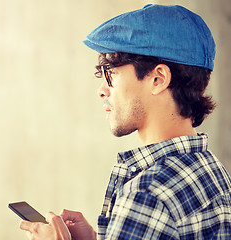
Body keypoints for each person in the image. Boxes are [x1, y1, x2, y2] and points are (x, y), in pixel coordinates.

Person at [19, 4, 231, 239]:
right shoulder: (212, 171)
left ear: (158, 79)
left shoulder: (147, 195)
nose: (102, 90)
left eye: (111, 73)